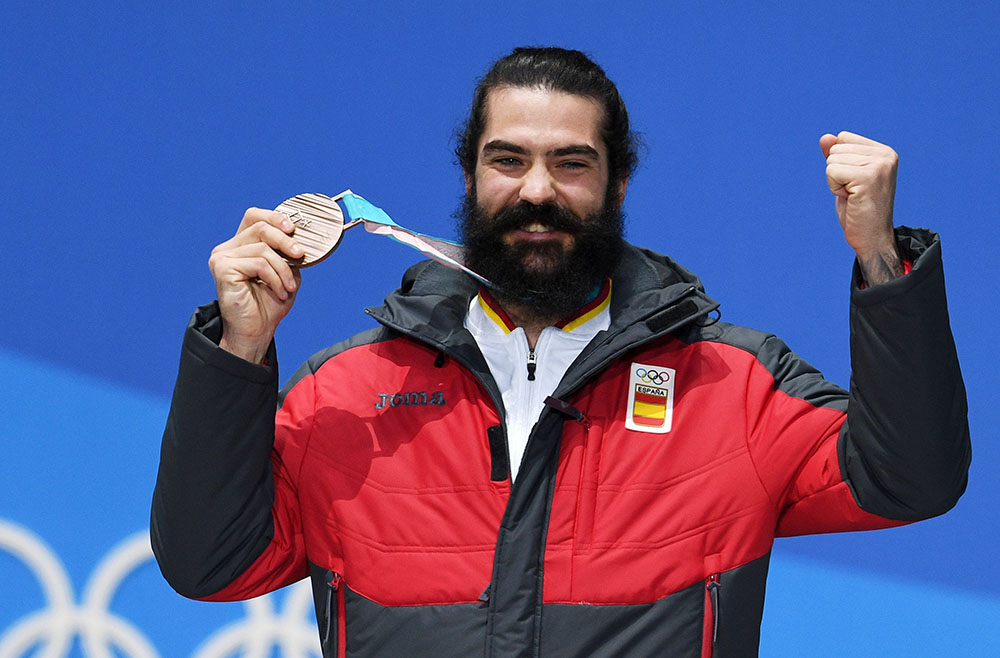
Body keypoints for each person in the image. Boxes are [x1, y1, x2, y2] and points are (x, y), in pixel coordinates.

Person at [152, 47, 970, 657]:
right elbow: (209, 564)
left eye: (570, 163)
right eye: (507, 160)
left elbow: (910, 477)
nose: (536, 190)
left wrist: (880, 261)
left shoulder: (730, 383)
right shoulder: (346, 393)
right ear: (471, 178)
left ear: (617, 185)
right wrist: (240, 347)